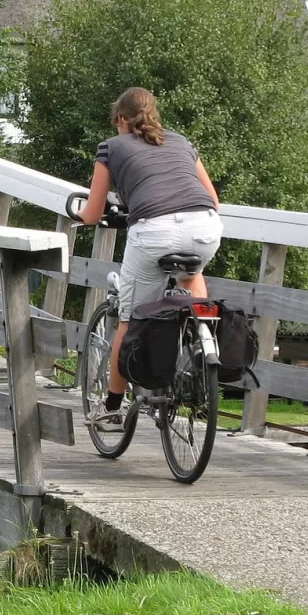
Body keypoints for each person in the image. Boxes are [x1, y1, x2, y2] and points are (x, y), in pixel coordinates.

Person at [76, 87, 223, 426]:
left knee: (130, 320)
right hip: (205, 227)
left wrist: (83, 215)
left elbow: (93, 210)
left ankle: (111, 407)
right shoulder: (183, 142)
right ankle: (199, 341)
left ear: (122, 119)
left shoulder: (111, 148)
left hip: (154, 233)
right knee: (191, 274)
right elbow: (213, 200)